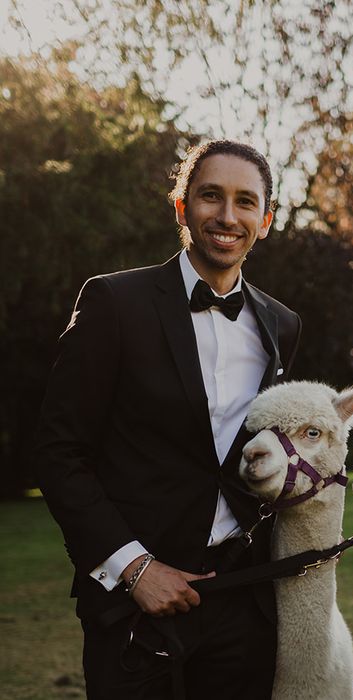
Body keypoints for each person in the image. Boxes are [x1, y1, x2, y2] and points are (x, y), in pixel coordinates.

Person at [34, 139, 301, 699]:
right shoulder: (114, 302)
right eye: (211, 196)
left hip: (242, 600)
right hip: (134, 602)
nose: (228, 217)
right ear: (182, 207)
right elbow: (59, 453)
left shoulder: (282, 325)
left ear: (266, 219)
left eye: (245, 202)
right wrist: (134, 569)